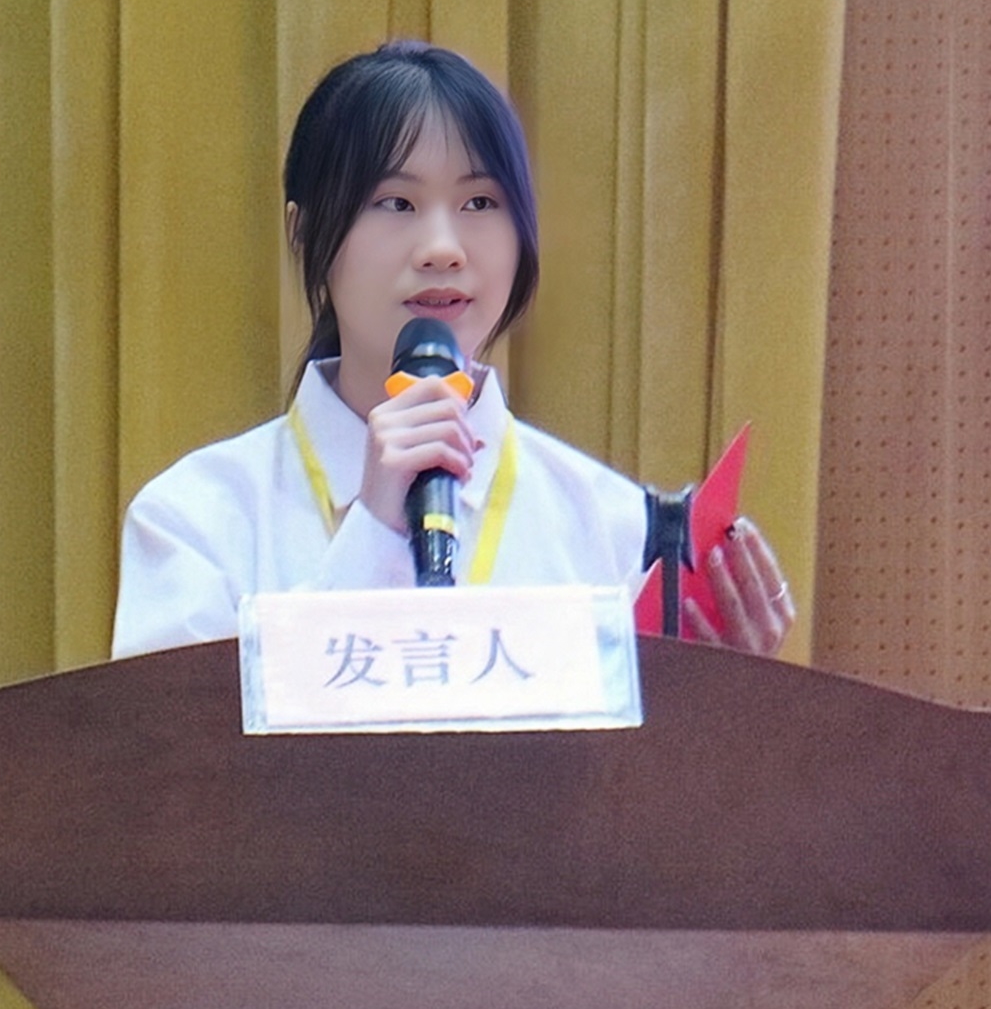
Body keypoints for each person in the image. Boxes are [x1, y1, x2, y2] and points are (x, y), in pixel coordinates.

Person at [110, 40, 797, 660]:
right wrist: (374, 530)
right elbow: (176, 756)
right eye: (395, 203)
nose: (443, 248)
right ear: (304, 231)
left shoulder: (620, 531)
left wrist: (726, 701)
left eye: (480, 203)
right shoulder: (195, 521)